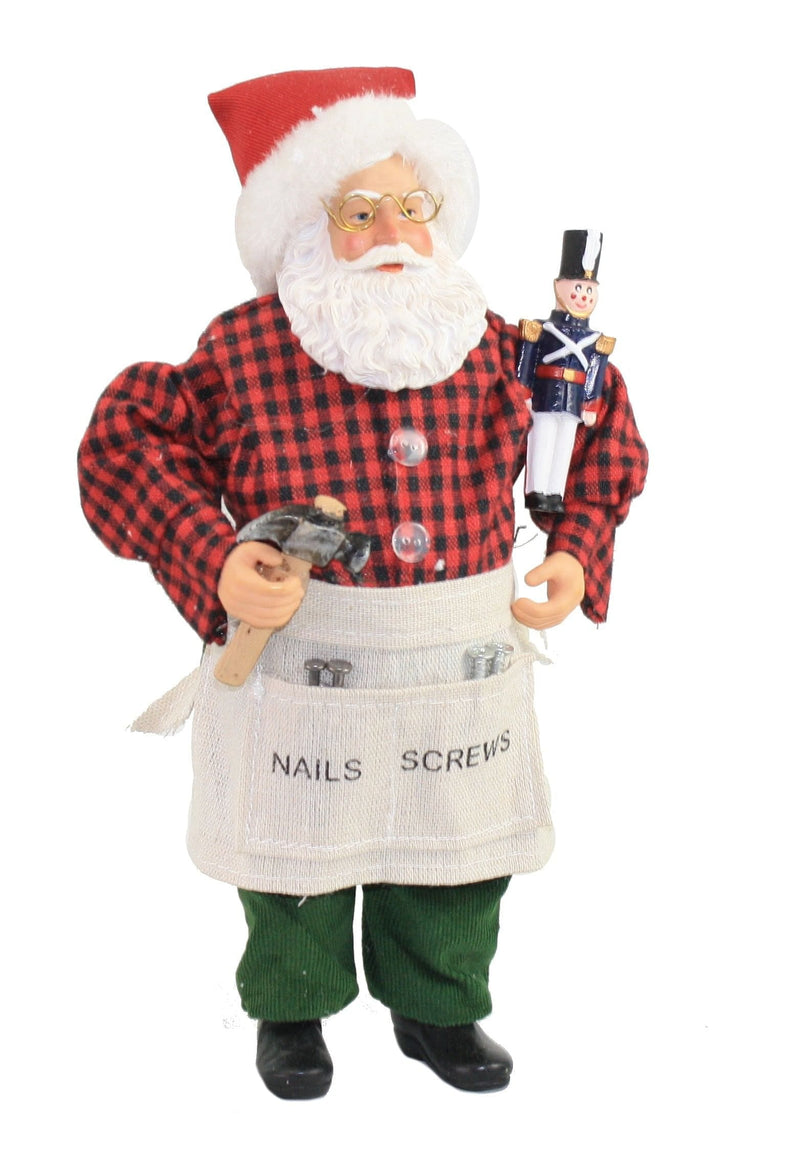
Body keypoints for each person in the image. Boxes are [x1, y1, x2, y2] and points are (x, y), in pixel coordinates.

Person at [78, 67, 648, 1100]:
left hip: (456, 661)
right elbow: (128, 442)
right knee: (294, 846)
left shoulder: (498, 345)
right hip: (304, 658)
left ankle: (439, 1003)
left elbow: (595, 423)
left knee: (454, 842)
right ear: (305, 229)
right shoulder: (244, 350)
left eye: (412, 205)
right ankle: (292, 1007)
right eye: (359, 212)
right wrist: (213, 558)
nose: (394, 231)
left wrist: (574, 545)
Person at [517, 229, 616, 514]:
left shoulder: (595, 340)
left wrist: (591, 403)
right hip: (546, 394)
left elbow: (595, 373)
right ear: (559, 286)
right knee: (543, 439)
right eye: (578, 288)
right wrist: (524, 391)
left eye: (589, 290)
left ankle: (555, 493)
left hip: (574, 399)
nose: (583, 296)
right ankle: (537, 491)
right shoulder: (543, 329)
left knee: (564, 446)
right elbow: (527, 361)